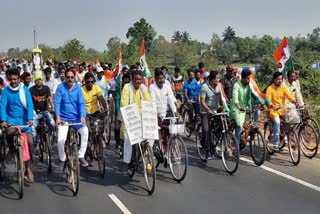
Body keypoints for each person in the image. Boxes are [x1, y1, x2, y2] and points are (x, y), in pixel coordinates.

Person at [0, 69, 35, 181]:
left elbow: (30, 105)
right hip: (11, 121)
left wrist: (30, 118)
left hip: (24, 121)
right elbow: (3, 107)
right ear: (9, 79)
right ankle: (11, 149)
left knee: (29, 143)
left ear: (19, 79)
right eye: (11, 79)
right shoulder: (6, 91)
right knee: (9, 133)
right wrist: (4, 120)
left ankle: (28, 169)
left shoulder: (24, 90)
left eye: (15, 79)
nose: (13, 81)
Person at [54, 68, 89, 169]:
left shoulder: (78, 88)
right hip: (63, 119)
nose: (70, 79)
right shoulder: (60, 87)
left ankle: (81, 155)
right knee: (60, 141)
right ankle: (62, 159)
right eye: (68, 77)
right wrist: (57, 116)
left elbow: (81, 103)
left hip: (76, 119)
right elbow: (57, 102)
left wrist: (83, 116)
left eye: (72, 77)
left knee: (85, 131)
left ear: (75, 78)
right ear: (64, 78)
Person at [120, 70, 151, 174]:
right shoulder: (127, 88)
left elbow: (149, 101)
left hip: (143, 118)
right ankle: (129, 162)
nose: (138, 81)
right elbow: (124, 104)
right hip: (130, 119)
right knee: (131, 140)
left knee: (151, 136)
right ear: (132, 79)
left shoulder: (143, 88)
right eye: (136, 79)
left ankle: (148, 158)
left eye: (140, 79)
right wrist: (134, 114)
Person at [266, 71, 298, 148]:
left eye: (281, 79)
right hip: (273, 111)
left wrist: (294, 101)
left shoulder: (283, 87)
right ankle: (276, 141)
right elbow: (267, 99)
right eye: (278, 79)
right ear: (274, 80)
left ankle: (287, 137)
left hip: (283, 109)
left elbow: (289, 96)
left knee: (294, 119)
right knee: (277, 122)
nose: (280, 80)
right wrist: (271, 105)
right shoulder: (270, 88)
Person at [199, 71, 223, 157]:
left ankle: (215, 134)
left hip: (216, 110)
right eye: (217, 78)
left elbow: (221, 98)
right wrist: (208, 110)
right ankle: (204, 144)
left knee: (225, 121)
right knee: (206, 130)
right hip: (205, 111)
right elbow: (202, 101)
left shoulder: (219, 86)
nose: (218, 80)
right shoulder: (204, 87)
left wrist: (224, 106)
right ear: (212, 79)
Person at [30, 75, 55, 145]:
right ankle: (36, 144)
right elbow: (29, 102)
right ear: (34, 81)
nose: (39, 81)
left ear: (42, 80)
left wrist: (53, 106)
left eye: (40, 79)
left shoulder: (46, 88)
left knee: (52, 124)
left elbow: (49, 98)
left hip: (46, 111)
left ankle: (49, 135)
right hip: (36, 113)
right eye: (37, 80)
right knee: (32, 128)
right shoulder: (31, 90)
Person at [230, 70, 252, 145]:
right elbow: (235, 98)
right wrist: (239, 107)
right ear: (243, 78)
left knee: (250, 125)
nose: (249, 80)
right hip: (236, 109)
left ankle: (244, 139)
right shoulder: (237, 85)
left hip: (245, 109)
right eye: (248, 79)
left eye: (250, 79)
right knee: (239, 126)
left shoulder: (249, 86)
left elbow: (252, 96)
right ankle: (237, 147)